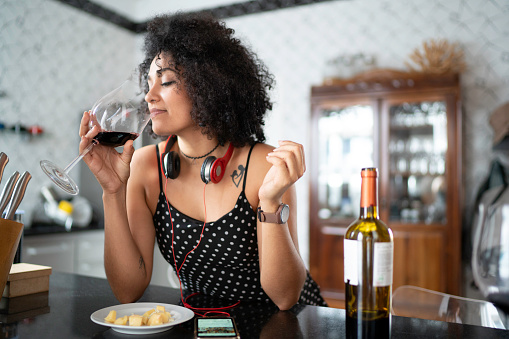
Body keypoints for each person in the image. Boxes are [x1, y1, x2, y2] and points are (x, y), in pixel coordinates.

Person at [80, 11, 326, 310]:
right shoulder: (144, 167)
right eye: (149, 83)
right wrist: (113, 192)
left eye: (167, 81)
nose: (149, 96)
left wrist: (271, 203)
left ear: (209, 85)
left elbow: (286, 297)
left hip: (286, 323)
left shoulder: (265, 166)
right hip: (205, 323)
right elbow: (127, 291)